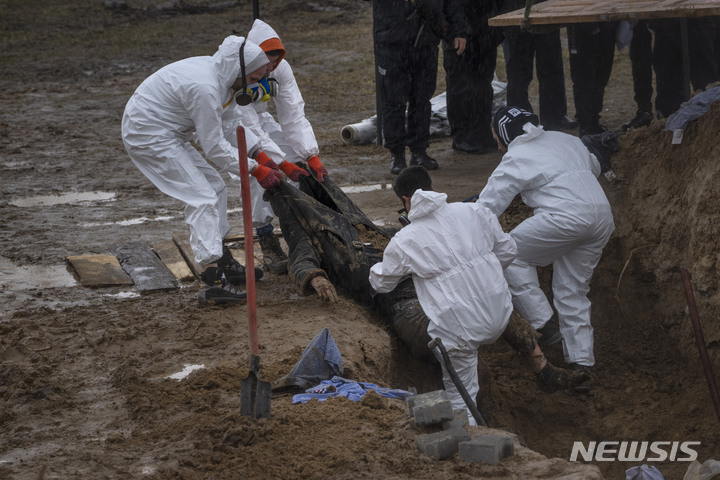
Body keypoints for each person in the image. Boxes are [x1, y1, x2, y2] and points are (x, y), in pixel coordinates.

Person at [264, 166, 588, 412]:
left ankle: (543, 369)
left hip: (409, 281)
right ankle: (480, 402)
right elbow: (302, 255)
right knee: (476, 312)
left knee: (481, 300)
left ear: (406, 199)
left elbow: (390, 251)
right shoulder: (308, 228)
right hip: (401, 302)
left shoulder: (391, 230)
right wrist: (314, 277)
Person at [121, 35, 281, 305]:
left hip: (169, 133)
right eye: (254, 79)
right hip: (148, 133)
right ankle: (212, 277)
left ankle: (222, 258)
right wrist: (256, 170)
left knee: (216, 186)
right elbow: (215, 147)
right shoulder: (205, 87)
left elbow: (229, 126)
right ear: (240, 69)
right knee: (202, 196)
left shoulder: (226, 79)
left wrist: (259, 154)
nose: (256, 86)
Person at [477, 106, 615, 392]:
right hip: (602, 216)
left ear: (504, 138)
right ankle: (581, 366)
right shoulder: (567, 139)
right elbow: (595, 166)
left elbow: (486, 209)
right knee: (572, 290)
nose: (499, 147)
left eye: (497, 140)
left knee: (509, 254)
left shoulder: (515, 156)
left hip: (566, 216)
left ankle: (543, 322)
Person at [237, 19, 329, 273]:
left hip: (262, 121)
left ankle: (302, 231)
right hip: (237, 125)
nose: (271, 67)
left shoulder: (281, 69)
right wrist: (281, 164)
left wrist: (311, 155)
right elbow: (250, 128)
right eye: (267, 61)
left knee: (298, 165)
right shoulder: (238, 69)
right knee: (261, 173)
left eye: (276, 61)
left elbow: (293, 113)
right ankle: (266, 237)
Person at [373, 0, 467, 174]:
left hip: (426, 42)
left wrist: (459, 30)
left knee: (422, 100)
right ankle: (397, 154)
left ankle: (419, 151)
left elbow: (452, 4)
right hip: (391, 42)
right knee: (393, 101)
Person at [498, 0, 577, 133]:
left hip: (546, 13)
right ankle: (519, 119)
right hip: (516, 14)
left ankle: (555, 116)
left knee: (551, 69)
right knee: (518, 74)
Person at [442, 0, 502, 154]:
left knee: (482, 86)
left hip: (484, 30)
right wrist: (458, 30)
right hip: (461, 31)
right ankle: (461, 136)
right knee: (460, 86)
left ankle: (482, 132)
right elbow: (452, 5)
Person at [567, 22, 618, 137]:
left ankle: (594, 119)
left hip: (605, 24)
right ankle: (585, 124)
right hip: (582, 26)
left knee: (601, 75)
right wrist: (587, 24)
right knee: (583, 76)